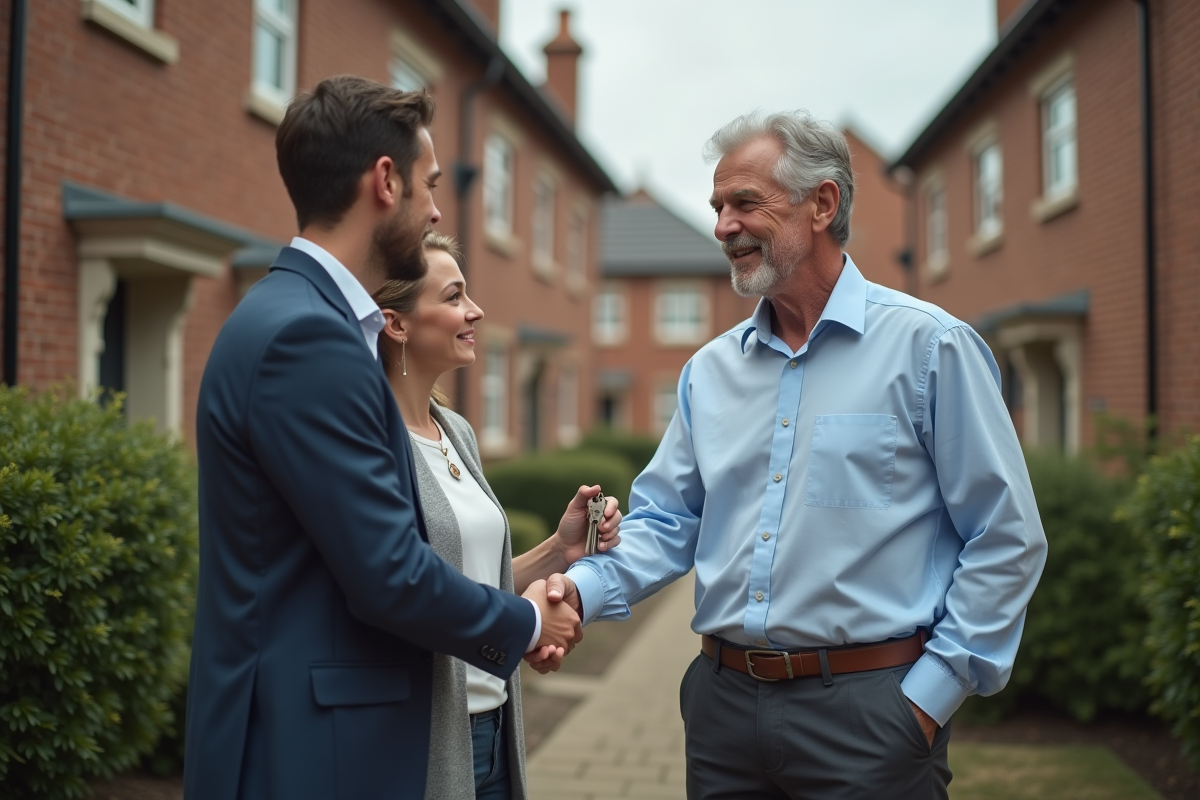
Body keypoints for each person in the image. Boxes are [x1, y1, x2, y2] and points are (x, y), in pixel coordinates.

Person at [547, 111, 1049, 799]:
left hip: (873, 717)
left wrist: (930, 697)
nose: (723, 225)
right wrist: (577, 590)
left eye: (745, 203)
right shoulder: (709, 372)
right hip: (721, 712)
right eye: (718, 206)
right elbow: (667, 522)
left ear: (823, 203)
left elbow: (1006, 536)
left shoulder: (931, 349)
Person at [184, 76, 582, 800]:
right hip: (314, 755)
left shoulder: (295, 318)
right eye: (430, 185)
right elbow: (390, 573)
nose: (436, 208)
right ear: (385, 180)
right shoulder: (309, 337)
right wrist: (525, 622)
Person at [371, 230, 622, 799]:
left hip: (499, 727)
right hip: (427, 736)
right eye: (454, 296)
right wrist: (531, 623)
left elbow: (474, 583)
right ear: (398, 323)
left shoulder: (455, 431)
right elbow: (406, 592)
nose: (476, 311)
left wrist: (560, 549)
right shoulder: (373, 442)